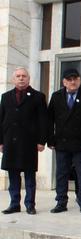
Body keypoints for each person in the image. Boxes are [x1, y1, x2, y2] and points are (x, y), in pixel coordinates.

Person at [47, 68, 81, 214]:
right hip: (61, 142)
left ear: (80, 80)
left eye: (75, 78)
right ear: (64, 82)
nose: (73, 81)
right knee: (61, 174)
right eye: (69, 79)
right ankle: (61, 202)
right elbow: (49, 119)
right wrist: (50, 139)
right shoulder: (56, 96)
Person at [0, 67, 48, 215]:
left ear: (29, 79)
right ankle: (14, 204)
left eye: (24, 76)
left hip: (29, 142)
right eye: (18, 76)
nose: (21, 78)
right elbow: (1, 119)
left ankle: (30, 204)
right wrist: (1, 141)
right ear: (13, 79)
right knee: (13, 175)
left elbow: (43, 121)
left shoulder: (38, 96)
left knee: (29, 176)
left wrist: (41, 141)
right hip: (10, 142)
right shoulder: (6, 96)